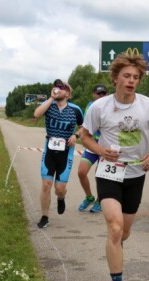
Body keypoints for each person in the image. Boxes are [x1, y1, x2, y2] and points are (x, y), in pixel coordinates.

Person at [80, 53, 149, 281]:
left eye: (136, 77)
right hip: (109, 171)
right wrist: (100, 151)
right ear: (115, 78)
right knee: (115, 227)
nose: (131, 81)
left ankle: (116, 248)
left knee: (124, 233)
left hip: (136, 173)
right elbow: (85, 136)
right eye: (127, 76)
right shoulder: (100, 107)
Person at [33, 79, 84, 229]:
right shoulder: (49, 106)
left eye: (61, 88)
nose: (57, 89)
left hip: (65, 152)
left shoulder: (75, 109)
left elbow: (84, 128)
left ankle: (61, 198)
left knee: (59, 189)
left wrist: (76, 135)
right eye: (56, 87)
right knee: (46, 185)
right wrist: (51, 98)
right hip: (49, 150)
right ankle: (44, 216)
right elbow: (36, 114)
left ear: (68, 93)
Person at [76, 84, 108, 213]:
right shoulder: (90, 106)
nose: (100, 96)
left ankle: (100, 200)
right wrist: (77, 134)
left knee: (100, 175)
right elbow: (85, 125)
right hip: (92, 144)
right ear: (93, 94)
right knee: (81, 172)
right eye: (98, 93)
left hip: (105, 146)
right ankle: (89, 197)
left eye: (103, 94)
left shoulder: (110, 106)